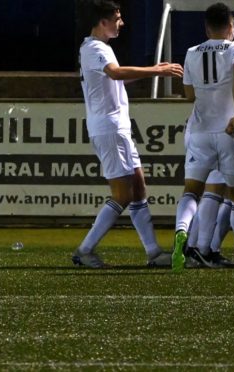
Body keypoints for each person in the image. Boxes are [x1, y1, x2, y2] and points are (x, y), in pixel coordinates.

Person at [73, 0, 183, 268]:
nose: (121, 23)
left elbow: (117, 76)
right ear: (103, 22)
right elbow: (114, 73)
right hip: (109, 128)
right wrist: (156, 70)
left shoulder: (101, 48)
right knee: (122, 194)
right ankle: (84, 250)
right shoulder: (94, 48)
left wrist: (150, 72)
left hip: (117, 126)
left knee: (138, 186)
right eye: (117, 18)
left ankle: (153, 252)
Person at [173, 2, 234, 271]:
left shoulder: (191, 51)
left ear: (207, 27)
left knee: (192, 191)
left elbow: (188, 94)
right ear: (231, 27)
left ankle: (182, 234)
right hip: (227, 130)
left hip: (199, 131)